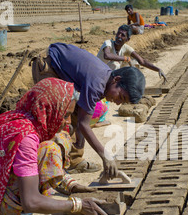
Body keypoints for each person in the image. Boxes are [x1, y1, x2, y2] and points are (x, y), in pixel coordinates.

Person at [0, 78, 111, 215]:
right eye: (65, 114)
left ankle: (25, 199)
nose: (67, 120)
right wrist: (78, 205)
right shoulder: (27, 138)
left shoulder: (22, 118)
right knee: (51, 148)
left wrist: (71, 185)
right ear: (49, 108)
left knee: (59, 137)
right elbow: (30, 201)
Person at [31, 42, 146, 175]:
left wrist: (81, 133)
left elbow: (82, 117)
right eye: (120, 96)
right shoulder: (97, 84)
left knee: (74, 113)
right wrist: (105, 155)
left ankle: (74, 161)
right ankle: (44, 168)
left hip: (58, 63)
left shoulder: (106, 80)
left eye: (122, 101)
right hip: (48, 64)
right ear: (117, 79)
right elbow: (83, 124)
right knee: (56, 116)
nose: (118, 102)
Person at [97, 25, 167, 82]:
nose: (119, 36)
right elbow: (107, 55)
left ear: (127, 39)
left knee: (134, 65)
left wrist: (158, 69)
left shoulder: (126, 48)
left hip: (107, 76)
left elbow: (142, 61)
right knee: (115, 64)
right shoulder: (108, 43)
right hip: (97, 74)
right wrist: (125, 58)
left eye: (123, 35)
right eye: (118, 33)